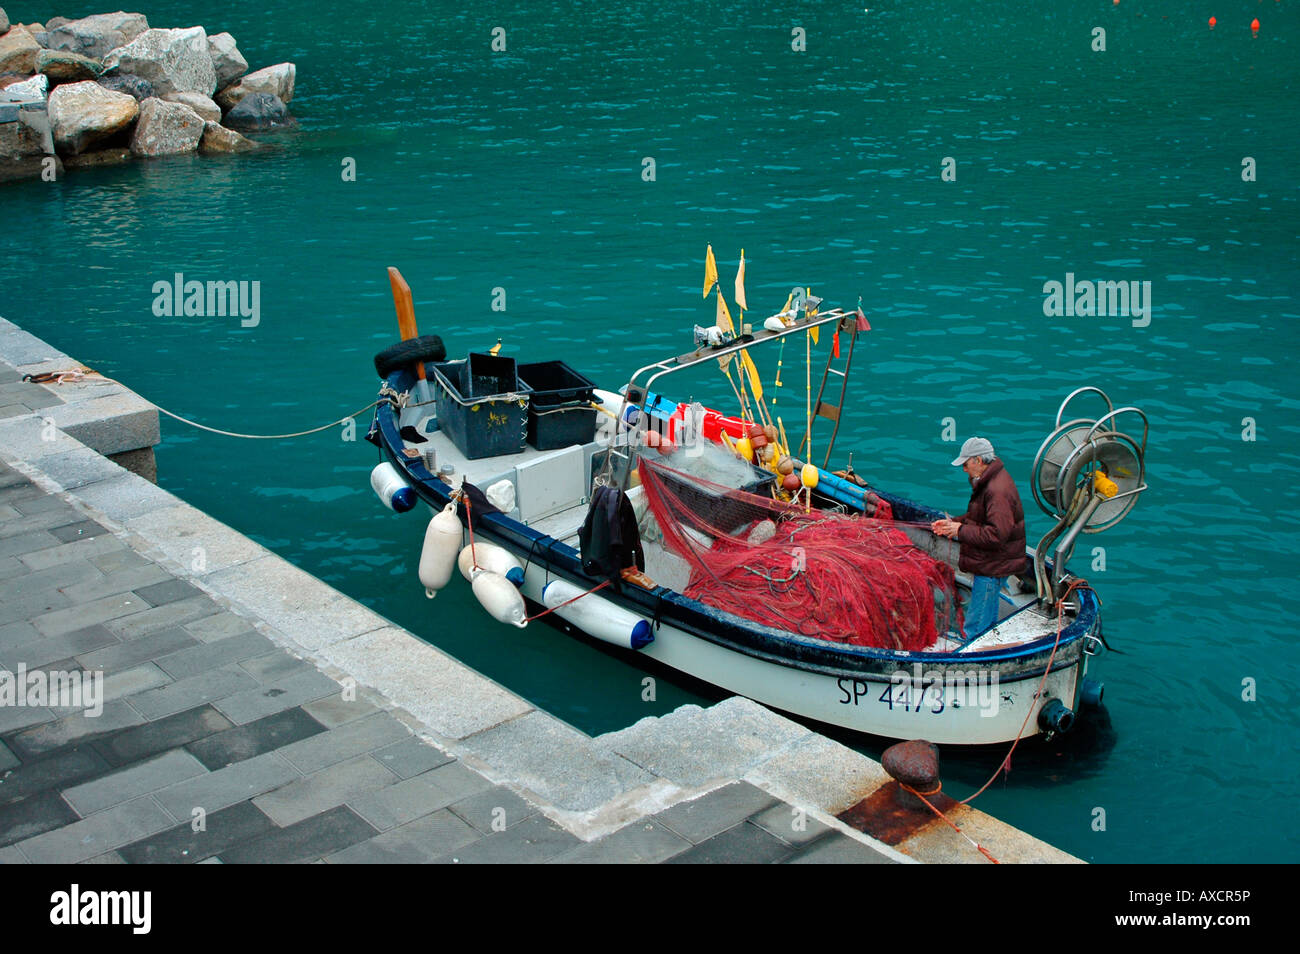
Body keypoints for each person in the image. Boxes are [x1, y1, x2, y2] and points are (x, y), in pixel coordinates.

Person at [930, 437, 1028, 639]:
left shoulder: (996, 491)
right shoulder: (990, 481)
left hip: (993, 565)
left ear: (978, 461)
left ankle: (973, 658)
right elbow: (979, 518)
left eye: (966, 464)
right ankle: (988, 643)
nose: (964, 469)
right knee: (987, 618)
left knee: (976, 625)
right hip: (993, 562)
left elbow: (996, 535)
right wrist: (953, 524)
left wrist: (959, 531)